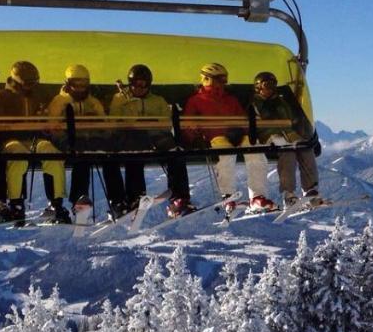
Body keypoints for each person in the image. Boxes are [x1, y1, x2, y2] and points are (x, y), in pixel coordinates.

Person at [0, 60, 69, 224]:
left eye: (33, 83)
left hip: (35, 139)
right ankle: (16, 204)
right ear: (17, 81)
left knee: (52, 153)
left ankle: (56, 203)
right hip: (9, 140)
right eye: (27, 83)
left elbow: (48, 115)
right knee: (18, 155)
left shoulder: (39, 95)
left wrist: (46, 126)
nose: (31, 87)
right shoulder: (1, 97)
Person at [108, 63, 194, 217]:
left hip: (155, 136)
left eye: (144, 85)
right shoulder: (120, 99)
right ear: (130, 83)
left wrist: (152, 126)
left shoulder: (157, 100)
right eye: (136, 84)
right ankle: (135, 196)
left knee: (175, 152)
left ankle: (179, 197)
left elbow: (166, 122)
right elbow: (115, 121)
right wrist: (133, 115)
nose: (140, 88)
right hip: (131, 136)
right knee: (135, 151)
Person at [181, 62, 268, 213]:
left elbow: (243, 119)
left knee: (255, 150)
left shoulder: (230, 99)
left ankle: (257, 197)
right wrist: (195, 138)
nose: (224, 84)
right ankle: (228, 196)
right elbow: (188, 123)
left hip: (236, 134)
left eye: (224, 80)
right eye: (220, 80)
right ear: (208, 79)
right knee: (226, 156)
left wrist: (242, 131)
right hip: (215, 136)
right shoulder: (196, 100)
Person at [45, 63, 125, 220]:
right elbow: (53, 125)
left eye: (84, 84)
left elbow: (103, 123)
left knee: (109, 157)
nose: (80, 88)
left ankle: (117, 201)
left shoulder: (93, 102)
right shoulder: (60, 101)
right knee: (81, 158)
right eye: (77, 84)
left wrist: (106, 136)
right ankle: (79, 199)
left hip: (92, 139)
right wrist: (64, 139)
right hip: (69, 141)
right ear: (68, 84)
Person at [249, 70, 320, 208]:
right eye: (267, 85)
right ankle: (288, 193)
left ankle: (311, 190)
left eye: (273, 84)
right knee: (288, 152)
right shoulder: (254, 104)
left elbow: (293, 118)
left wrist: (300, 133)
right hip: (269, 135)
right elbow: (255, 125)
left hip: (287, 133)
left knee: (305, 149)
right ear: (258, 87)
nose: (271, 88)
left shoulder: (281, 102)